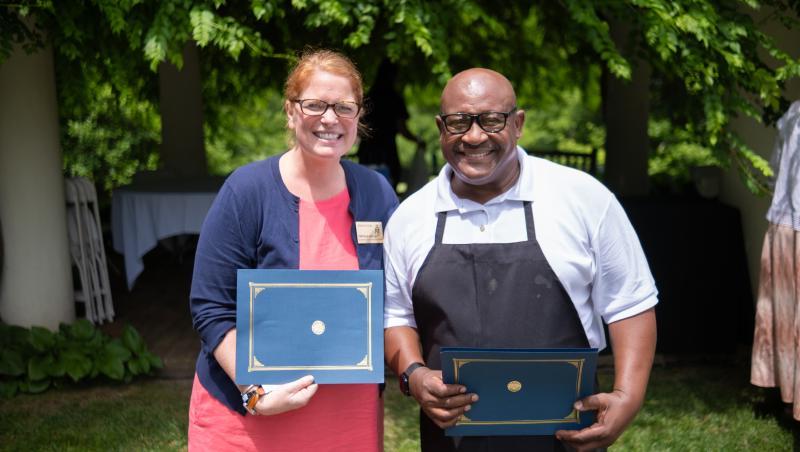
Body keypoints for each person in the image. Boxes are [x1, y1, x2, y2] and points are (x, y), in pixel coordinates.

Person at [383, 68, 658, 451]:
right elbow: (396, 315)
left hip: (565, 435)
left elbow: (630, 303)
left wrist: (629, 395)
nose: (474, 136)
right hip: (451, 436)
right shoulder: (410, 217)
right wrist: (413, 373)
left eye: (492, 120)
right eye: (459, 122)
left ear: (519, 123)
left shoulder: (584, 198)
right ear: (440, 128)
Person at [188, 49, 398, 451]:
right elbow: (210, 307)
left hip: (347, 423)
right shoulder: (246, 191)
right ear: (290, 112)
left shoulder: (377, 194)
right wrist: (255, 393)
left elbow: (396, 299)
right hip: (248, 420)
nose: (330, 118)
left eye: (344, 106)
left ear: (358, 116)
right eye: (315, 105)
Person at [357, 58, 425, 188]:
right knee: (387, 189)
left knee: (366, 188)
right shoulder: (395, 98)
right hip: (387, 152)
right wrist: (417, 140)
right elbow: (402, 129)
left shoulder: (368, 97)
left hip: (367, 152)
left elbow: (359, 125)